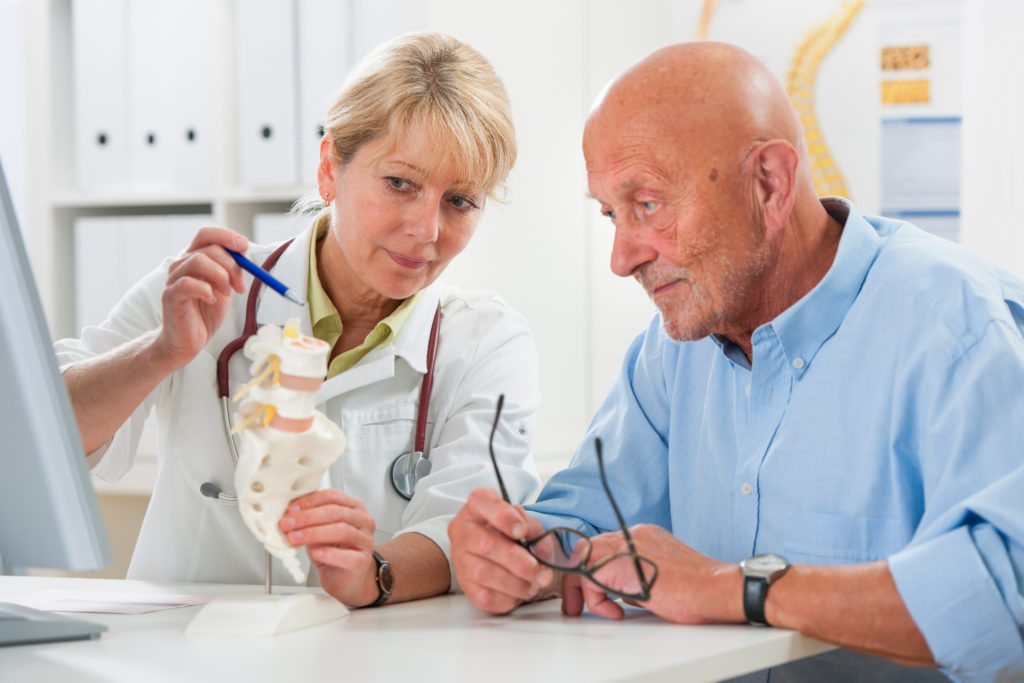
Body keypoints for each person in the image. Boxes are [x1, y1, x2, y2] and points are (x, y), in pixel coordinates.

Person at [448, 41, 1024, 682]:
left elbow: (1007, 600)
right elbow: (581, 523)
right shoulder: (672, 349)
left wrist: (733, 588)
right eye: (611, 213)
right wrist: (521, 553)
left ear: (770, 184)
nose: (621, 257)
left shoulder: (958, 326)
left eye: (648, 204)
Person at [57, 32, 541, 609]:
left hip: (371, 658)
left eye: (459, 201)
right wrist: (158, 352)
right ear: (329, 170)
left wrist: (374, 572)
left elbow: (467, 525)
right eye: (400, 183)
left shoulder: (485, 343)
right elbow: (45, 440)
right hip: (183, 651)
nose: (427, 229)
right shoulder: (205, 289)